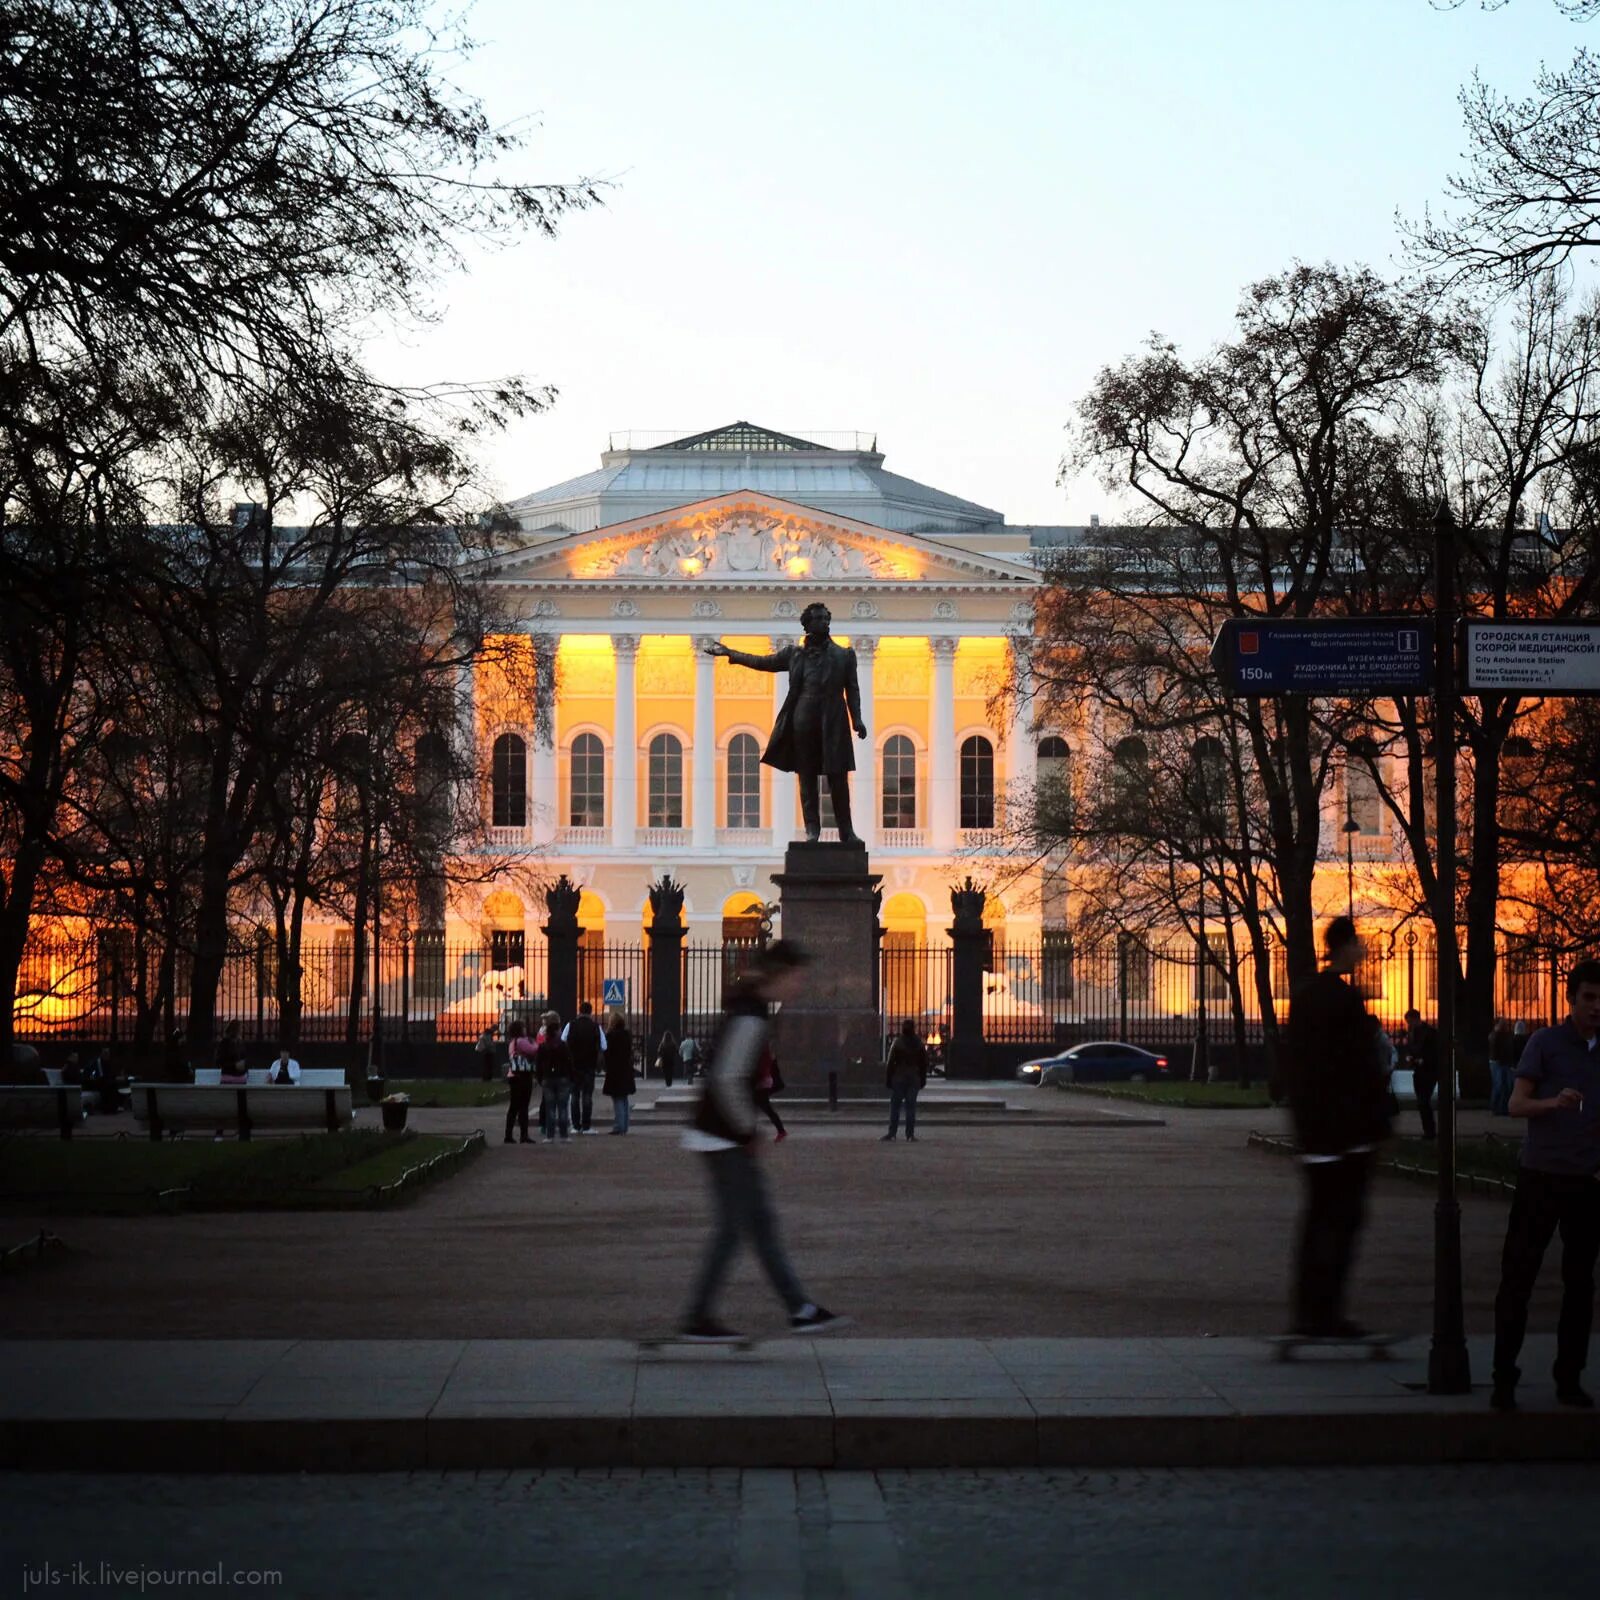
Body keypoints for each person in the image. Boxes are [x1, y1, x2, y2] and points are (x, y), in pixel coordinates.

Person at [679, 940, 846, 1342]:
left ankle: (797, 1308)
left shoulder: (749, 1010)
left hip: (717, 1135)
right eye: (797, 977)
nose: (800, 985)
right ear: (779, 975)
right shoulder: (751, 1017)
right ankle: (703, 1317)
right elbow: (726, 1078)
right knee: (738, 1228)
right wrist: (746, 1128)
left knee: (754, 1225)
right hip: (722, 1137)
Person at [1490, 959, 1600, 1412]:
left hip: (1587, 1183)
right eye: (1589, 998)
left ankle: (1569, 1379)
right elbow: (1515, 1105)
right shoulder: (1545, 1043)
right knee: (1519, 1277)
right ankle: (1504, 1378)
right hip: (1540, 1178)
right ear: (1571, 999)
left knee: (1580, 1284)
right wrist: (1553, 1101)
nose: (1596, 1007)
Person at [1283, 916, 1392, 1340]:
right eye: (1359, 945)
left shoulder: (1307, 996)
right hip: (1346, 1135)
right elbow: (1357, 1068)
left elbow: (1298, 1067)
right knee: (1343, 1221)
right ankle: (1327, 1312)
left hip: (1315, 1132)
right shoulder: (1344, 1000)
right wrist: (1373, 1122)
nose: (1363, 952)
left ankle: (1308, 1310)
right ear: (1344, 947)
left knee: (1316, 1221)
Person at [703, 602, 868, 844]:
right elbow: (763, 662)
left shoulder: (844, 655)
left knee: (838, 778)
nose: (825, 622)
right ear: (807, 625)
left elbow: (852, 689)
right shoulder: (794, 655)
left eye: (826, 618)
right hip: (804, 717)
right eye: (819, 619)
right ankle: (812, 830)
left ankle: (846, 831)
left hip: (833, 718)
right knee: (807, 777)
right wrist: (732, 654)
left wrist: (858, 719)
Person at [562, 1001, 606, 1135]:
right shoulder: (595, 1027)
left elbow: (563, 1041)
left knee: (574, 1096)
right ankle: (586, 1126)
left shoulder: (571, 1025)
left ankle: (576, 1126)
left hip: (573, 1066)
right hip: (589, 1066)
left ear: (579, 1011)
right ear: (591, 1012)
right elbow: (604, 1046)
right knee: (587, 1096)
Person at [882, 1019, 928, 1142]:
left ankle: (892, 1133)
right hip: (913, 1077)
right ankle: (910, 1134)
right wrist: (923, 1079)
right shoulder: (918, 1043)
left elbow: (891, 1062)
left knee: (895, 1106)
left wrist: (888, 1078)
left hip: (899, 1077)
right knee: (911, 1106)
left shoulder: (898, 1042)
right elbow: (924, 1063)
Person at [536, 1010, 575, 1143]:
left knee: (550, 1107)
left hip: (548, 1078)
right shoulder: (563, 1046)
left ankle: (550, 1135)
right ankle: (564, 1135)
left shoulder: (543, 1046)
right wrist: (571, 1077)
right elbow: (569, 1062)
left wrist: (540, 1078)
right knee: (562, 1107)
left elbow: (538, 1064)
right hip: (563, 1078)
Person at [1404, 1007, 1440, 1140]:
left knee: (1423, 1101)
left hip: (1429, 1071)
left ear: (1415, 1019)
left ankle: (1430, 1131)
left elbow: (1435, 1051)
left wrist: (1423, 1060)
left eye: (1409, 1022)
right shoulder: (1413, 1033)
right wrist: (1410, 1057)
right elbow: (1411, 1048)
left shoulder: (1430, 1032)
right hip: (1419, 1071)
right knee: (1421, 1102)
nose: (1409, 1025)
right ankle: (1428, 1130)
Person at [603, 1011, 636, 1133]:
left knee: (617, 1099)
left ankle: (619, 1126)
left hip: (615, 1071)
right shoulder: (627, 1035)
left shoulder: (611, 1036)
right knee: (624, 1099)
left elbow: (607, 1054)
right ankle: (625, 1126)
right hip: (626, 1071)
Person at [504, 1019, 536, 1144]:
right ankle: (524, 1135)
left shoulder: (512, 1042)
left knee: (513, 1106)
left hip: (513, 1075)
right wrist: (534, 1043)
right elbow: (534, 1050)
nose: (525, 1029)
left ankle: (509, 1134)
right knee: (523, 1106)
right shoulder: (522, 1041)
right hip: (523, 1076)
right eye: (523, 1027)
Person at [753, 1044, 787, 1141]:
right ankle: (781, 1131)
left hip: (761, 1085)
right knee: (766, 1109)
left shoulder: (762, 1056)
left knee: (765, 1108)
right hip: (764, 1084)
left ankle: (781, 1131)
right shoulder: (767, 1055)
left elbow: (761, 1070)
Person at [1489, 1018, 1518, 1117]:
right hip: (1500, 1063)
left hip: (1500, 1063)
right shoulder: (1497, 1036)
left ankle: (1500, 1108)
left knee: (1502, 1086)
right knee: (1501, 1085)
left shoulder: (1498, 1035)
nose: (1505, 1026)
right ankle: (1498, 1108)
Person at [81, 1047, 121, 1113]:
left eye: (108, 1053)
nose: (107, 1055)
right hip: (94, 1083)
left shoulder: (107, 1062)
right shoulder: (96, 1062)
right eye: (105, 1053)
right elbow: (89, 1074)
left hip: (102, 1082)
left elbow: (110, 1074)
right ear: (101, 1054)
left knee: (112, 1085)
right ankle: (107, 1108)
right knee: (108, 1085)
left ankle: (112, 1108)